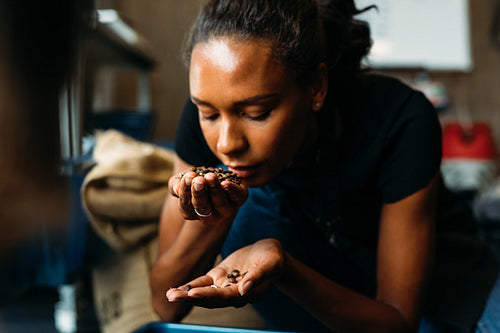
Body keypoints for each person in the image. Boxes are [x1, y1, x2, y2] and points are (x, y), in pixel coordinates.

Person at [150, 0, 500, 332]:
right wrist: (214, 219)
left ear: (316, 87)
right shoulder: (201, 125)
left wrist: (284, 269)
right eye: (208, 113)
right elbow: (165, 305)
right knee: (248, 213)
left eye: (256, 113)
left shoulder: (400, 120)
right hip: (321, 288)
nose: (227, 143)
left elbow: (398, 321)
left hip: (439, 291)